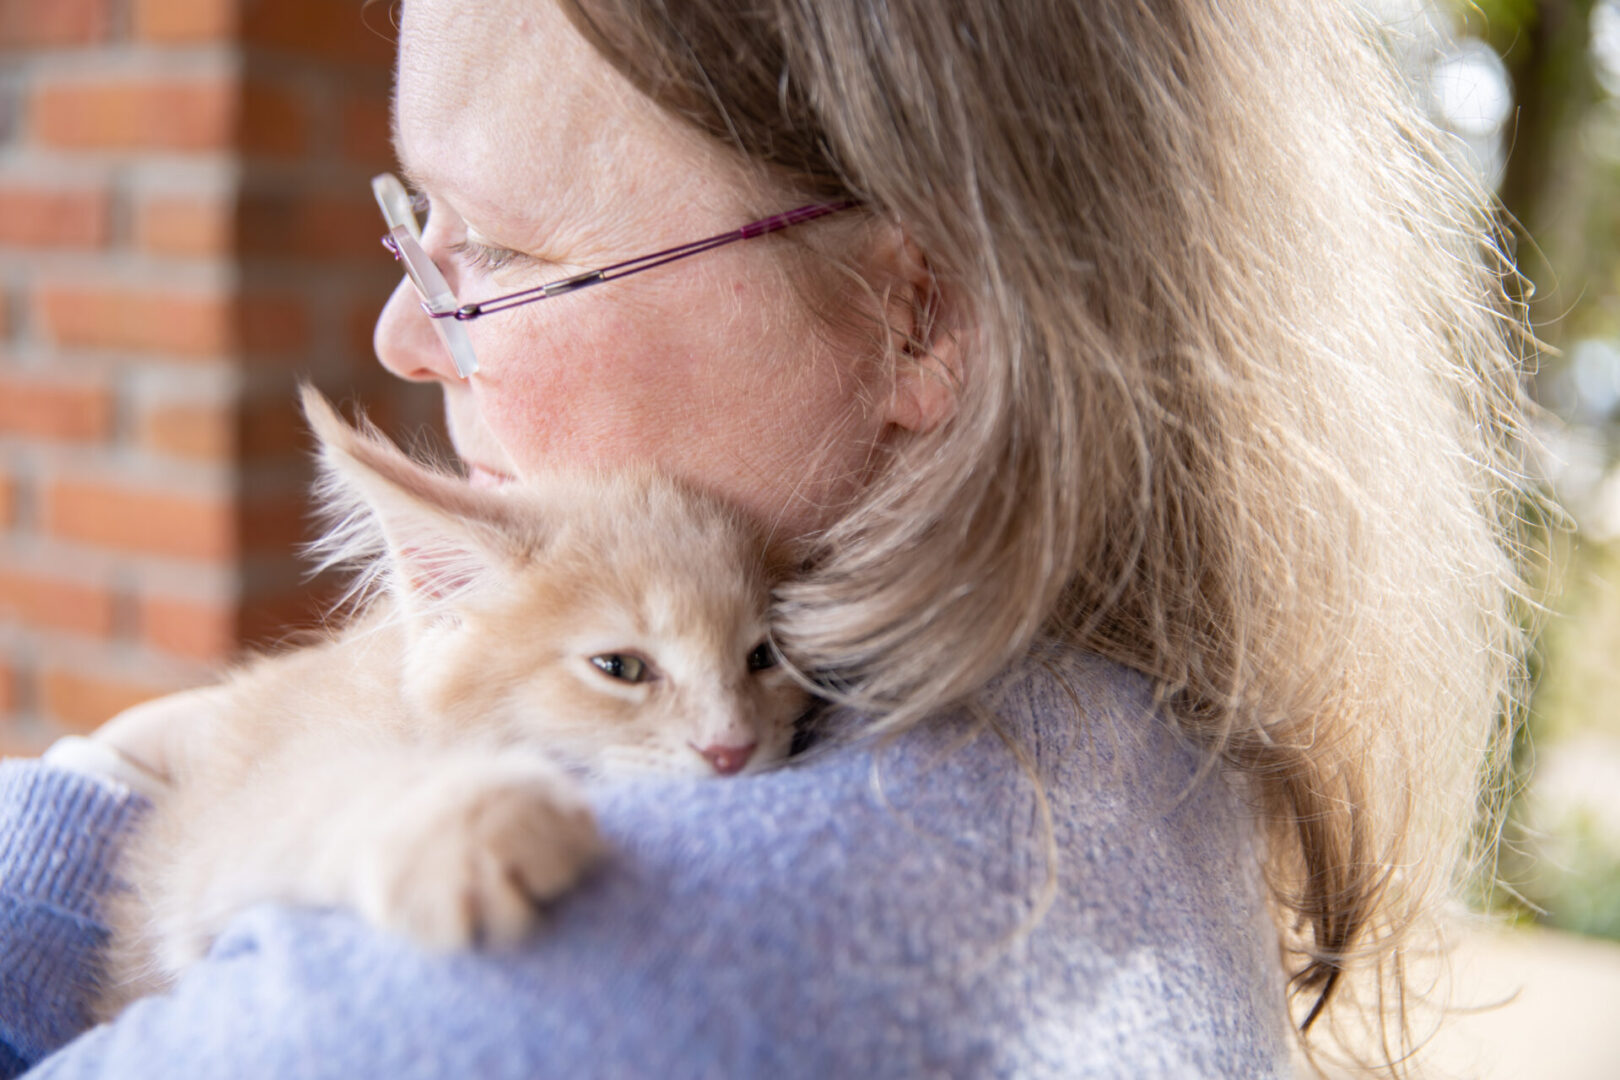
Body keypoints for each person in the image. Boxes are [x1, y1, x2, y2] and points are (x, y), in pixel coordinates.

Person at [0, 0, 1531, 1076]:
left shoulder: (542, 986)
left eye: (499, 249)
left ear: (914, 308)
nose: (409, 329)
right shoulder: (1129, 745)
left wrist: (89, 803)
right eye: (419, 232)